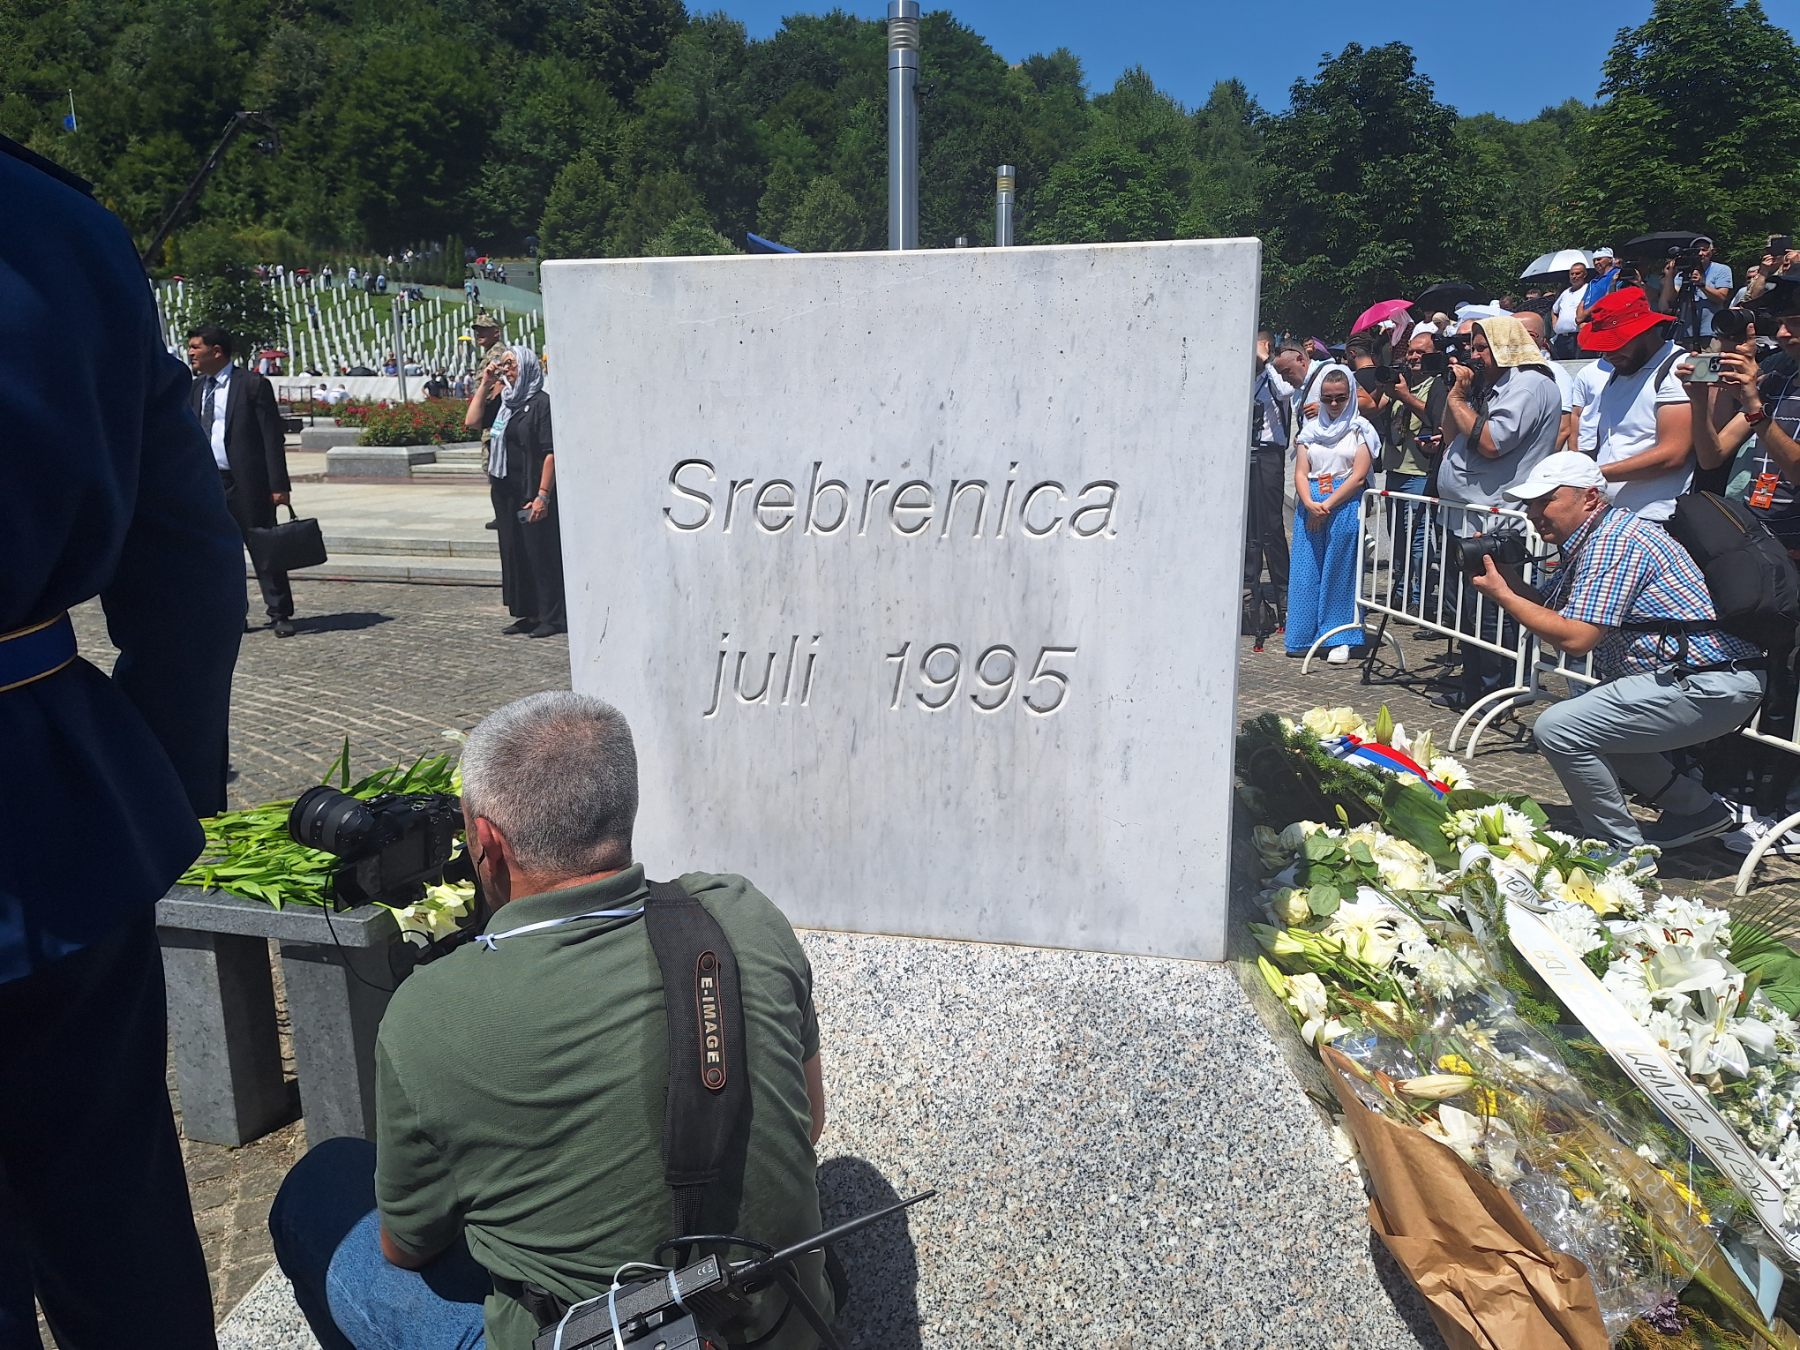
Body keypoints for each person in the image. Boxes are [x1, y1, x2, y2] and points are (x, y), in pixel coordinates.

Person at [268, 693, 832, 1350]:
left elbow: (407, 1247)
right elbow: (810, 1121)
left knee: (321, 1187)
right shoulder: (743, 916)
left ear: (486, 842)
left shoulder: (431, 1013)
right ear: (623, 809)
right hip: (782, 1326)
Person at [0, 132, 243, 1348]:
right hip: (55, 807)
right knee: (119, 1227)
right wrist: (152, 783)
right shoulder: (64, 228)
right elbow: (191, 571)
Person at [1472, 451, 1764, 847]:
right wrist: (1505, 580)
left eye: (1547, 501)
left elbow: (1576, 638)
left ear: (1590, 497)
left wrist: (1505, 597)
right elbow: (1554, 614)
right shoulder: (1598, 536)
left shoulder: (1615, 541)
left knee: (1559, 727)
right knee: (1594, 728)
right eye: (1530, 503)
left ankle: (1619, 849)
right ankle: (1699, 812)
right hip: (1700, 679)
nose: (1535, 512)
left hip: (1706, 684)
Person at [1434, 315, 1564, 708]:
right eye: (1472, 348)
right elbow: (1449, 433)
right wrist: (1455, 395)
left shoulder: (1529, 384)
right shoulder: (1492, 387)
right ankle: (1475, 684)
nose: (1474, 357)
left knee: (1491, 608)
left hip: (1497, 516)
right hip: (1470, 513)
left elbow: (1493, 443)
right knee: (1470, 610)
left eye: (1481, 348)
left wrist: (1459, 400)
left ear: (1508, 347)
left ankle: (1495, 689)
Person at [186, 323, 300, 636]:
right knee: (220, 553)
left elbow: (270, 438)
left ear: (217, 351)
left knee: (264, 547)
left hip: (248, 483)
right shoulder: (196, 388)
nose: (191, 353)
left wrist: (279, 485)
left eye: (196, 347)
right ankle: (234, 614)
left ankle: (279, 613)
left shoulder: (251, 385)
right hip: (209, 483)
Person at [467, 346, 565, 637]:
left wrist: (543, 494)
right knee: (514, 552)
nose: (506, 368)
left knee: (540, 552)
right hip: (505, 489)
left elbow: (550, 453)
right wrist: (486, 383)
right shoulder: (504, 402)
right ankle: (528, 612)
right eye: (504, 363)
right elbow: (471, 422)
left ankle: (552, 615)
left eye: (512, 364)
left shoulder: (541, 403)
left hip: (531, 487)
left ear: (527, 367)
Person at [1577, 289, 1693, 523]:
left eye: (1618, 343)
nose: (1609, 354)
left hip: (1655, 515)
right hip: (1613, 511)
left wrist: (1592, 474)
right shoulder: (1618, 371)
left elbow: (1672, 454)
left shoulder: (1676, 369)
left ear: (1646, 331)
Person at [1286, 370, 1374, 663]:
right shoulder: (1310, 430)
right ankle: (1303, 632)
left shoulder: (1360, 429)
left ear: (1350, 397)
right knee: (1306, 571)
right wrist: (1311, 504)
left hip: (1344, 502)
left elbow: (1359, 475)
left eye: (1340, 398)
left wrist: (1328, 506)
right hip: (1311, 499)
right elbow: (1300, 471)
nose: (1334, 404)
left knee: (1340, 571)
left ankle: (1340, 636)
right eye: (1327, 399)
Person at [1246, 331, 1291, 623]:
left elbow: (1287, 394)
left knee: (1273, 527)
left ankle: (1285, 595)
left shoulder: (1276, 380)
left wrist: (1268, 362)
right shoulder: (1247, 380)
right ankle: (1250, 597)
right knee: (1249, 530)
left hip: (1270, 455)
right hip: (1247, 454)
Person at [1512, 311, 1575, 450]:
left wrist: (1538, 463)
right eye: (1512, 332)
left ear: (1543, 341)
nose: (1519, 339)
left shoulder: (1554, 372)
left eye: (1528, 335)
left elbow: (1563, 427)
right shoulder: (1499, 372)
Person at [1659, 236, 1733, 344]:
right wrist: (1670, 275)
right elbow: (1672, 298)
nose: (1700, 253)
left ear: (1711, 252)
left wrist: (1701, 284)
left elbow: (1721, 297)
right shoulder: (1683, 273)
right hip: (1686, 333)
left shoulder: (1722, 270)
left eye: (1704, 250)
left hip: (1711, 333)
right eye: (1697, 250)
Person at [1551, 262, 1589, 359]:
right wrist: (1555, 325)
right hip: (1561, 338)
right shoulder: (1565, 292)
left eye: (1577, 273)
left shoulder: (1588, 289)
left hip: (1577, 336)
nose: (1574, 276)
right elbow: (1554, 310)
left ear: (1584, 274)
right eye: (1572, 274)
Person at [1578, 247, 1620, 324]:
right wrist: (1579, 317)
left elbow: (1608, 298)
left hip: (1606, 321)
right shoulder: (1593, 281)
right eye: (1594, 260)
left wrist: (1585, 313)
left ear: (1610, 259)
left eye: (1599, 259)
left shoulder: (1617, 274)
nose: (1596, 262)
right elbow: (1582, 302)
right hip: (1589, 323)